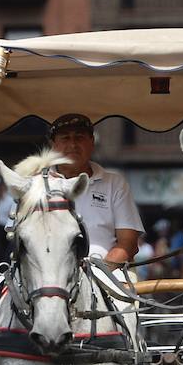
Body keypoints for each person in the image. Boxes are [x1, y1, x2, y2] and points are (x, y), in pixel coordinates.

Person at [47, 112, 144, 263]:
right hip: (48, 277)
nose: (73, 144)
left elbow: (128, 243)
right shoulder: (37, 184)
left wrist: (99, 274)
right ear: (53, 146)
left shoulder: (115, 183)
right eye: (65, 138)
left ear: (92, 142)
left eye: (79, 137)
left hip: (106, 275)